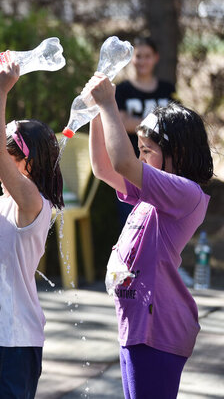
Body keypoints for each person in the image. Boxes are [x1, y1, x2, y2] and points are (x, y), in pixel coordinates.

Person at [86, 72, 212, 399]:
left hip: (160, 330)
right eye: (139, 149)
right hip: (138, 325)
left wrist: (109, 104)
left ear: (178, 154)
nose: (140, 157)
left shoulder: (186, 193)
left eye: (147, 150)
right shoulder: (151, 194)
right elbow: (104, 167)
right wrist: (97, 113)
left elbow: (123, 162)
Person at [0, 60, 64, 398]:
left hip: (17, 333)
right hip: (3, 331)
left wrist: (1, 90)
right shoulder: (4, 200)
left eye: (7, 160)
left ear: (27, 163)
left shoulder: (31, 200)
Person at [114, 37, 177, 225]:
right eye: (138, 56)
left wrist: (138, 123)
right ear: (131, 58)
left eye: (147, 56)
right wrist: (160, 123)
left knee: (162, 224)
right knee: (134, 224)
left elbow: (178, 123)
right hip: (132, 167)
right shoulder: (123, 89)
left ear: (156, 57)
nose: (142, 61)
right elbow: (122, 124)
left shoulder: (168, 88)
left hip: (165, 170)